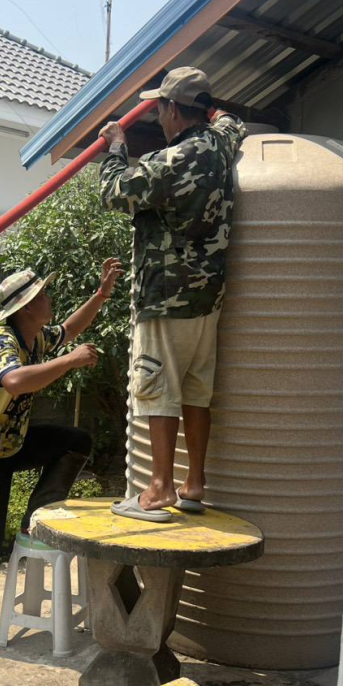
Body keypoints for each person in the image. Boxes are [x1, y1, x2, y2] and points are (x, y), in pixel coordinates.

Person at [0, 257, 124, 648]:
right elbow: (13, 380)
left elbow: (69, 329)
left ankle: (34, 520)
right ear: (26, 306)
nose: (49, 299)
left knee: (75, 440)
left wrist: (101, 294)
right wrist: (70, 360)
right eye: (43, 295)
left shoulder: (36, 337)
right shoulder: (2, 340)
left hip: (13, 444)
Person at [99, 66, 247, 522]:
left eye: (160, 108)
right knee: (196, 390)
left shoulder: (170, 160)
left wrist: (116, 146)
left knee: (157, 385)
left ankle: (159, 488)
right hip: (208, 298)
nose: (159, 117)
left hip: (166, 296)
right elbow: (233, 123)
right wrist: (215, 112)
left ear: (171, 110)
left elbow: (113, 193)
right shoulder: (220, 144)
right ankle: (193, 483)